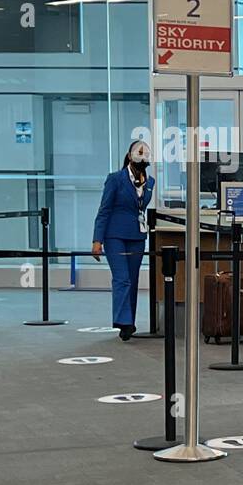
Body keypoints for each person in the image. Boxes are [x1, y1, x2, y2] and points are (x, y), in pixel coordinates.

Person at [91, 139, 154, 340]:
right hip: (114, 235)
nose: (142, 158)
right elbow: (104, 210)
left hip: (137, 235)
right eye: (139, 153)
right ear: (129, 156)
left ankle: (129, 322)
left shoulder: (150, 183)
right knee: (122, 278)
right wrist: (97, 239)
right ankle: (123, 321)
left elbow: (142, 208)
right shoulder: (115, 179)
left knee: (133, 280)